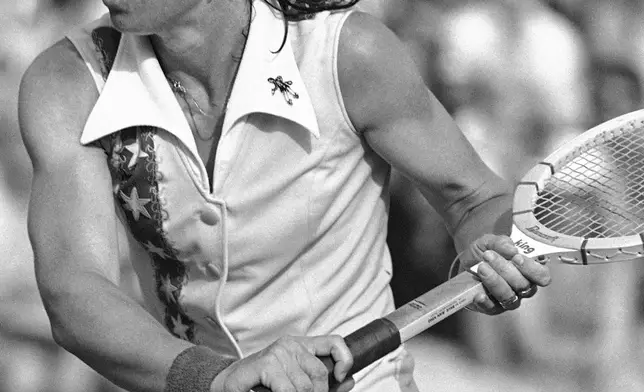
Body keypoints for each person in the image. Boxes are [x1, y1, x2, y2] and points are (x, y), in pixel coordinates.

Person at [17, 1, 551, 391]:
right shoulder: (65, 81)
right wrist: (217, 378)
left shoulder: (349, 53)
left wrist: (488, 250)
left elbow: (474, 199)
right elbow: (74, 291)